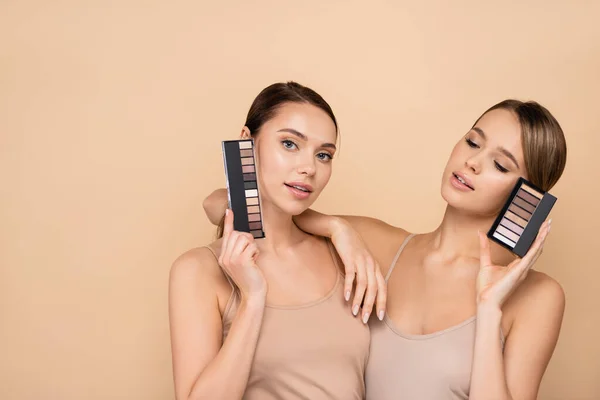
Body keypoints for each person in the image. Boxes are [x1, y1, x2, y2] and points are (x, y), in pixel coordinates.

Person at [204, 99, 567, 399]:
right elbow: (219, 203)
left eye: (500, 164)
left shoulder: (537, 297)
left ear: (527, 201)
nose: (472, 162)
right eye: (473, 142)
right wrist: (338, 227)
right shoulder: (377, 246)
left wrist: (489, 310)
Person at [168, 81, 385, 400]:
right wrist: (252, 299)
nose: (309, 168)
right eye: (289, 144)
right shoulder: (198, 271)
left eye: (323, 155)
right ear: (247, 142)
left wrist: (337, 227)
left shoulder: (348, 253)